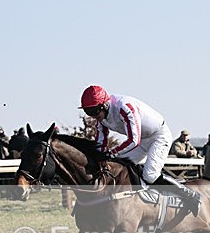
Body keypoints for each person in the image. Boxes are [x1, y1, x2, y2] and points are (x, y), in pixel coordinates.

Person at [79, 85, 201, 216]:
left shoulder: (124, 107)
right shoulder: (101, 118)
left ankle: (190, 195)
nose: (93, 116)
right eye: (88, 112)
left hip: (158, 136)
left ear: (104, 105)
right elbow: (100, 145)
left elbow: (133, 140)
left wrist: (111, 152)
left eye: (94, 111)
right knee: (116, 167)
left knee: (150, 175)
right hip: (142, 140)